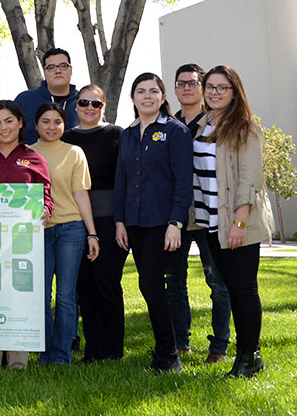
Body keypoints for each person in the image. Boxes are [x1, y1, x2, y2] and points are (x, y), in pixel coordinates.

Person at [196, 65, 275, 378]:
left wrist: (239, 223)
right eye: (210, 87)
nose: (214, 92)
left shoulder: (245, 127)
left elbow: (249, 179)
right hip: (210, 221)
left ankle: (248, 357)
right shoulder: (203, 124)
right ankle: (250, 354)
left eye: (222, 87)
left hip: (235, 221)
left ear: (234, 91)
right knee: (230, 286)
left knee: (243, 288)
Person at [114, 72, 193, 373]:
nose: (147, 96)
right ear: (133, 98)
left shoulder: (175, 131)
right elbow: (121, 179)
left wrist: (176, 221)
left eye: (153, 91)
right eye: (140, 91)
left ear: (162, 97)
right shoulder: (128, 134)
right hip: (134, 223)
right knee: (149, 286)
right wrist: (119, 221)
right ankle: (165, 352)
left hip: (165, 223)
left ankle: (169, 355)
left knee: (150, 284)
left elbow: (184, 181)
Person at [0, 100, 54, 368]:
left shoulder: (35, 158)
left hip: (22, 243)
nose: (3, 127)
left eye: (9, 121)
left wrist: (46, 211)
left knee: (19, 296)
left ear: (20, 123)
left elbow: (47, 197)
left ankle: (18, 363)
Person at [165, 64, 232, 363]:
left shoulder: (217, 122)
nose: (187, 88)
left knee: (217, 282)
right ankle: (181, 342)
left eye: (194, 83)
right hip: (176, 216)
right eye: (181, 83)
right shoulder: (166, 124)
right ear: (175, 88)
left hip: (210, 214)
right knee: (174, 282)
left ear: (203, 87)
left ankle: (219, 346)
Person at [31, 103, 99, 365]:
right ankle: (45, 351)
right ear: (36, 125)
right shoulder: (26, 153)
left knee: (66, 295)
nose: (51, 126)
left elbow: (81, 194)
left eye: (57, 122)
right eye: (45, 121)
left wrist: (92, 234)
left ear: (64, 124)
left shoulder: (74, 152)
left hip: (71, 228)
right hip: (39, 231)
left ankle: (61, 354)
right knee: (41, 294)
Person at [62, 85, 126, 362]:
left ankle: (113, 349)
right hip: (76, 220)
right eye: (84, 102)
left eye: (96, 104)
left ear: (104, 106)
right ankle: (93, 349)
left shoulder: (117, 135)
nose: (89, 108)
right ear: (76, 105)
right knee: (84, 286)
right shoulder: (65, 139)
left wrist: (122, 221)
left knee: (107, 282)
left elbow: (126, 179)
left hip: (110, 219)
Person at [15, 48, 81, 144]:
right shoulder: (24, 100)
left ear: (71, 70)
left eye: (63, 66)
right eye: (51, 67)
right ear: (44, 72)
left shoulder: (85, 103)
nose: (58, 71)